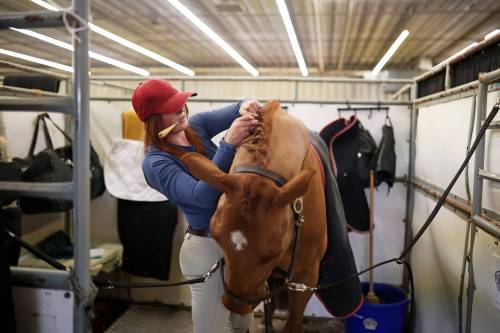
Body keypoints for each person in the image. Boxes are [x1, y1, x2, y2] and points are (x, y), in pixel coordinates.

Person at [132, 79, 260, 333]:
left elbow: (237, 107)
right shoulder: (156, 162)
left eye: (181, 103)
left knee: (242, 323)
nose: (182, 109)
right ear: (154, 118)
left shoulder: (196, 126)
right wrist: (228, 145)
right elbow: (202, 197)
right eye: (173, 107)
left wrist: (248, 106)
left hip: (236, 242)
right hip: (207, 249)